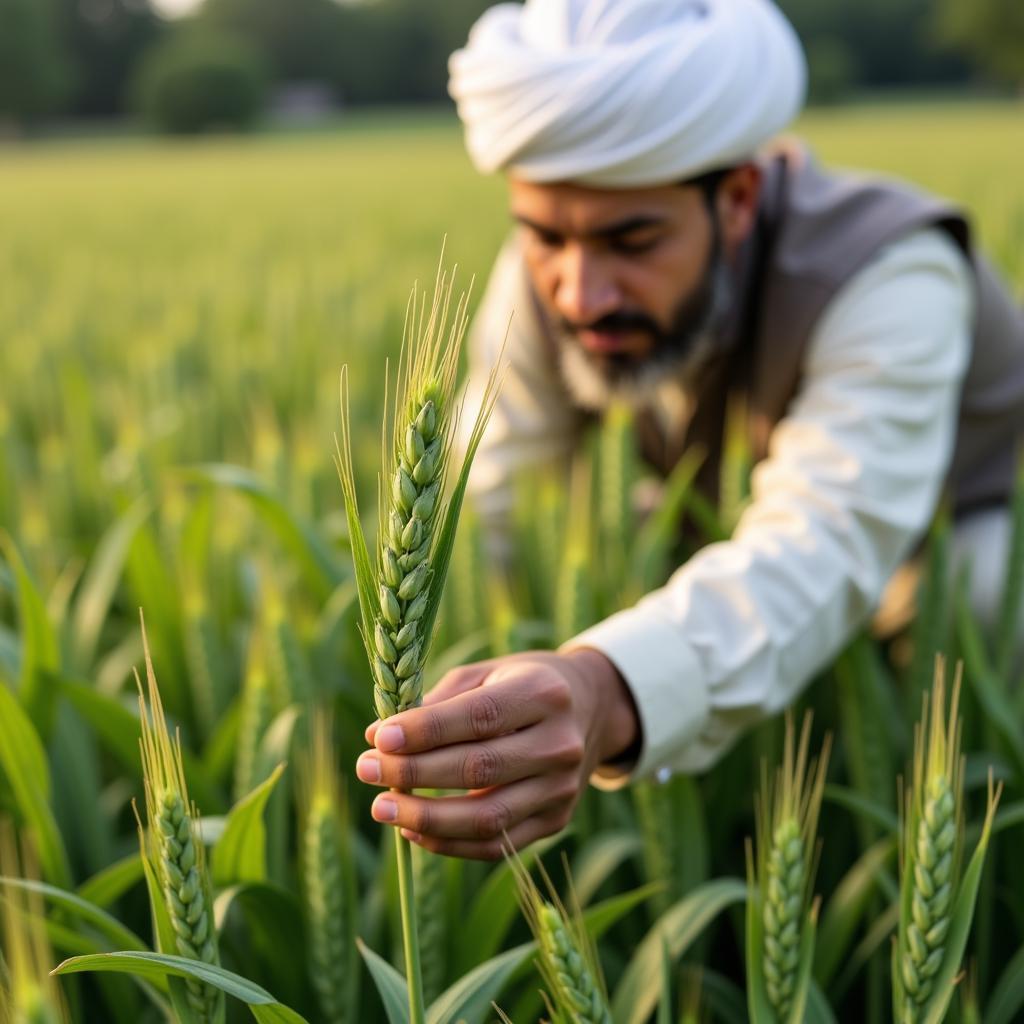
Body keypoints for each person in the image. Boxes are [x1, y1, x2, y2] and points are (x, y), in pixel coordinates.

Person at [355, 0, 1024, 860]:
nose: (580, 293)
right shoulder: (543, 277)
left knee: (975, 591)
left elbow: (828, 538)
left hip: (952, 531)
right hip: (742, 550)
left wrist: (605, 689)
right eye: (544, 236)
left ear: (739, 198)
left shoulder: (891, 269)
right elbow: (493, 504)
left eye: (632, 239)